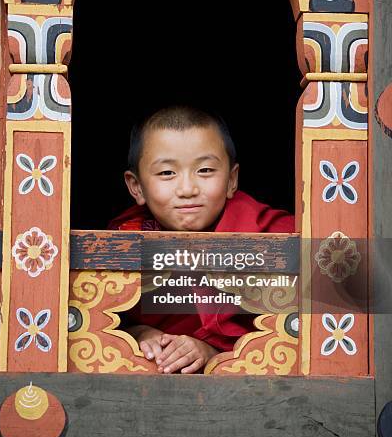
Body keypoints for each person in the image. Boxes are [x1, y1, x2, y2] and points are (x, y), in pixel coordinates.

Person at [108, 105, 295, 374]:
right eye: (166, 173)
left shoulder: (272, 234)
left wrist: (211, 349)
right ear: (136, 187)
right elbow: (102, 319)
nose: (187, 189)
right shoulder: (123, 239)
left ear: (232, 180)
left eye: (205, 170)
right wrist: (140, 334)